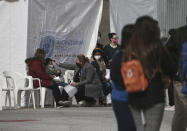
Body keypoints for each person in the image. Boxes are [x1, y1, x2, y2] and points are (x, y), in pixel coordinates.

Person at [122, 16, 175, 131]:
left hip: (133, 94)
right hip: (154, 96)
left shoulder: (129, 49)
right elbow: (171, 69)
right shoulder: (157, 47)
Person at [111, 24, 136, 131]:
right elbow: (115, 75)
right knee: (126, 127)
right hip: (122, 99)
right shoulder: (120, 55)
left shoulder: (138, 54)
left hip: (137, 100)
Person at [166, 17, 187, 131]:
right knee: (182, 112)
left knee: (181, 112)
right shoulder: (178, 34)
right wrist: (175, 70)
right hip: (181, 79)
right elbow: (166, 53)